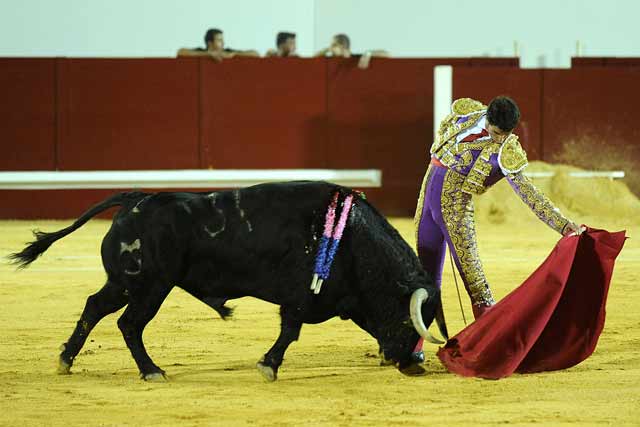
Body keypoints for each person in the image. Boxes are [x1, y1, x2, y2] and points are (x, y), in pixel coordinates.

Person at [412, 96, 584, 360]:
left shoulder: (507, 151)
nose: (499, 140)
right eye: (495, 133)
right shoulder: (465, 113)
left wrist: (562, 225)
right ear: (487, 119)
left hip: (456, 213)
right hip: (427, 204)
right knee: (424, 276)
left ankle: (491, 349)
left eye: (505, 135)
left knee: (476, 282)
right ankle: (411, 347)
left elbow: (529, 194)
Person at [177, 28, 258, 61]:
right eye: (219, 40)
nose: (223, 43)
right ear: (210, 43)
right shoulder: (202, 51)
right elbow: (180, 52)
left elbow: (255, 54)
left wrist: (234, 54)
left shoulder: (227, 51)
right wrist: (208, 54)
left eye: (222, 40)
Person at [314, 33, 388, 69]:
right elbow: (312, 60)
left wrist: (368, 54)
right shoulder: (330, 60)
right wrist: (325, 50)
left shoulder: (357, 59)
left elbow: (387, 54)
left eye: (333, 45)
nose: (330, 48)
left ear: (342, 46)